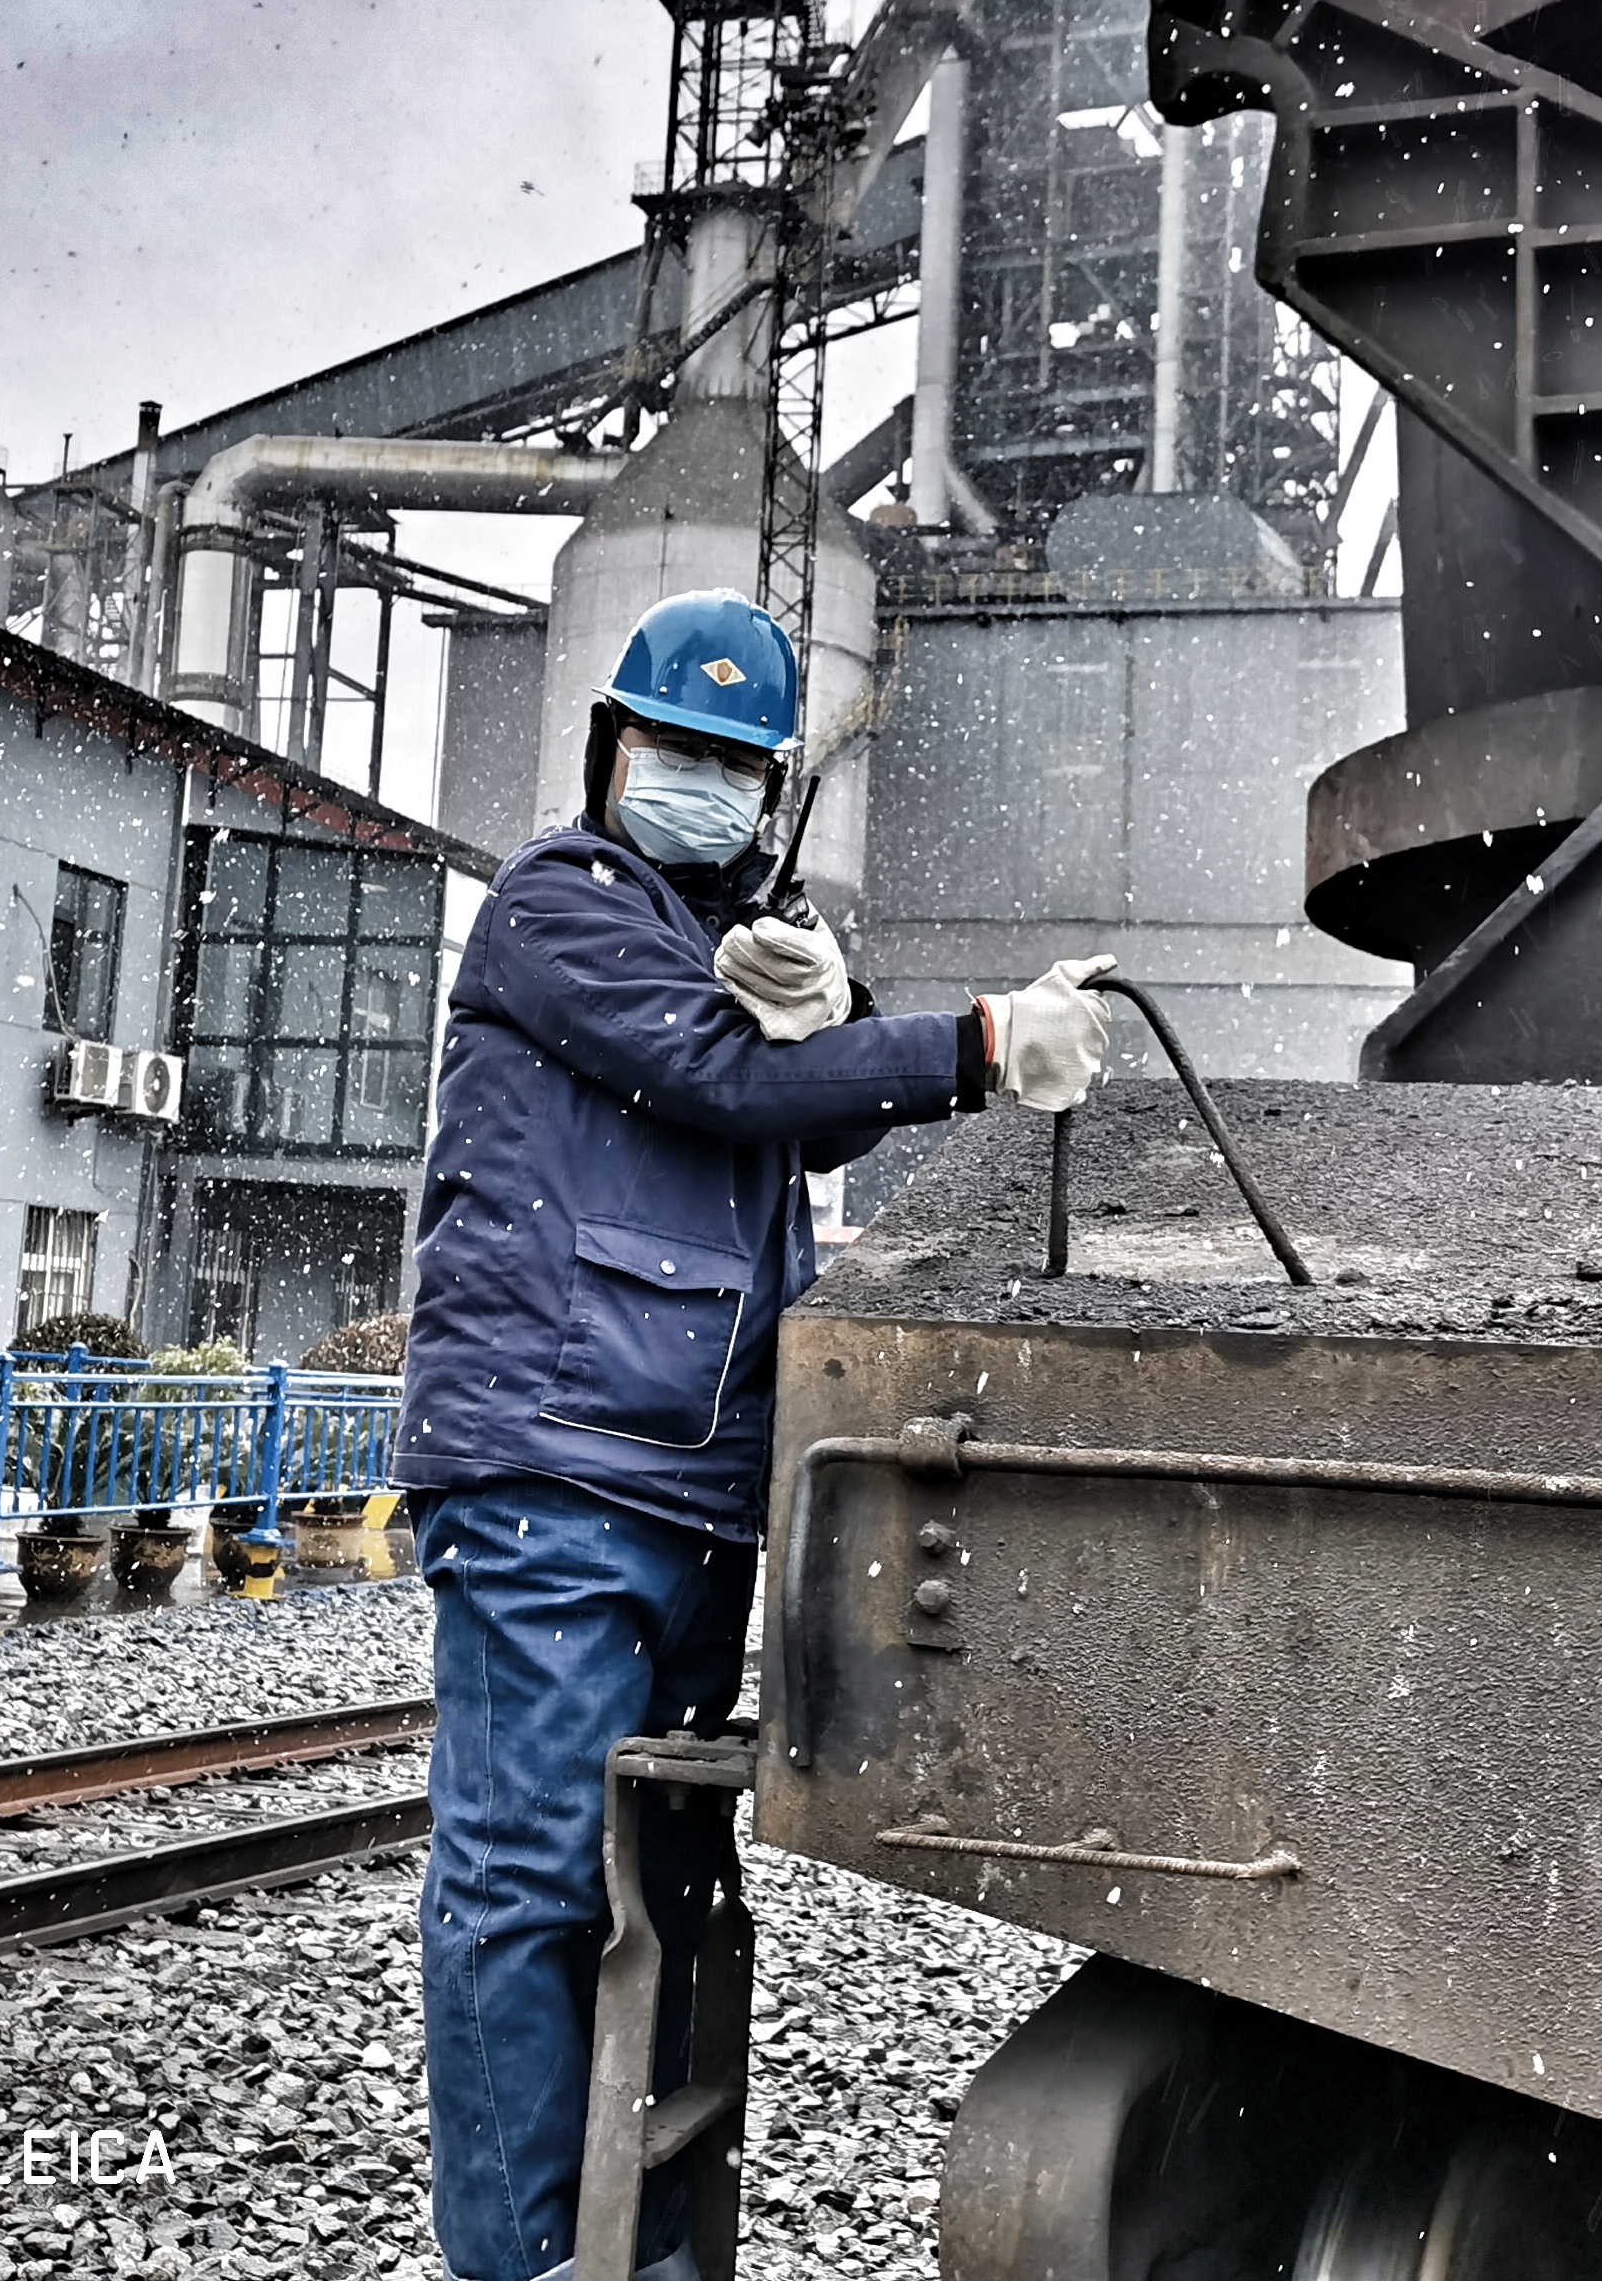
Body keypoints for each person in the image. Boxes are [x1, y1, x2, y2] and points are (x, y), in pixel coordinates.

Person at [395, 586, 1119, 2281]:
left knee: (651, 1893)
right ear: (610, 751)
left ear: (776, 783)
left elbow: (781, 1086)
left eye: (735, 760)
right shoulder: (554, 909)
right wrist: (980, 1040)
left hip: (690, 1488)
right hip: (554, 1468)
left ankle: (630, 2247)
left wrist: (834, 1000)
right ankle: (521, 2264)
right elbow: (718, 1079)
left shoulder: (715, 953)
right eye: (674, 749)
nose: (699, 780)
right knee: (527, 1891)